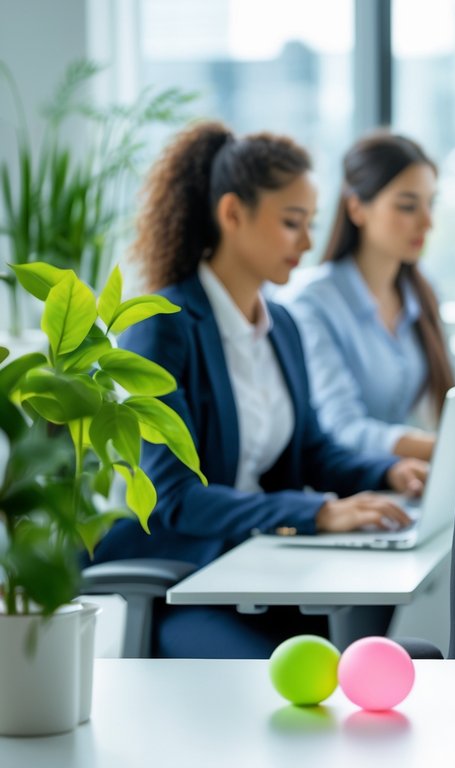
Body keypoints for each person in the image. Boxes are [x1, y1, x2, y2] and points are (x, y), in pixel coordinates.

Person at [95, 122, 428, 658]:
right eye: (292, 223)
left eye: (310, 223)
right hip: (184, 583)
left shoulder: (282, 325)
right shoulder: (163, 326)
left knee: (369, 644)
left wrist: (386, 473)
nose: (306, 242)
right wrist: (315, 513)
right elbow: (173, 500)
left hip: (262, 569)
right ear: (232, 214)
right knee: (315, 674)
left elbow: (312, 451)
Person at [280, 132, 454, 462]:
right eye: (407, 206)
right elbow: (341, 429)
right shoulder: (311, 303)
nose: (427, 222)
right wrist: (449, 450)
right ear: (357, 208)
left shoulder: (421, 291)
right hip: (345, 489)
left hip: (401, 482)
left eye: (431, 204)